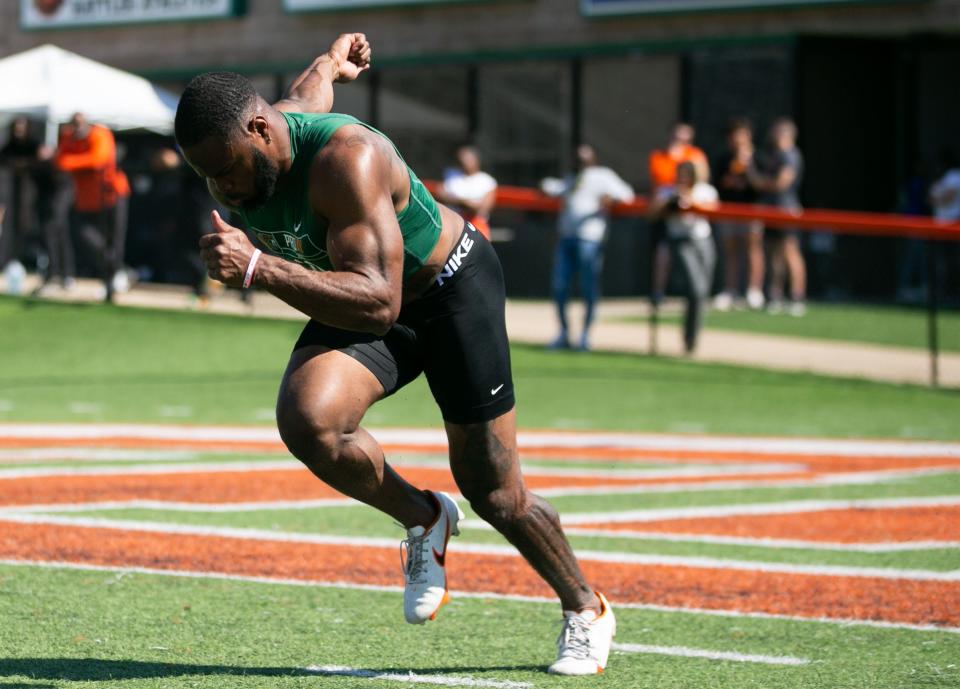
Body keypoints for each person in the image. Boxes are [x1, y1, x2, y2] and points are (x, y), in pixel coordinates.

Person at [174, 33, 614, 676]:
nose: (223, 187)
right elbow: (306, 92)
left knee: (495, 491)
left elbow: (380, 303)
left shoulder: (347, 159)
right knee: (309, 421)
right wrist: (332, 63)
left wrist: (259, 267)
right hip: (362, 293)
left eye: (229, 168)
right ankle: (424, 517)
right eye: (207, 175)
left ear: (260, 129)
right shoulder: (265, 135)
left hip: (445, 292)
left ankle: (586, 609)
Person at [541, 144, 634, 351]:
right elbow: (555, 190)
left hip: (589, 239)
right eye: (578, 158)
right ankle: (564, 333)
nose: (580, 161)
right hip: (566, 239)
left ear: (593, 159)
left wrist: (611, 198)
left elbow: (627, 194)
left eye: (584, 158)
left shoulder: (602, 175)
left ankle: (584, 336)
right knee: (560, 287)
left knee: (588, 287)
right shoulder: (571, 178)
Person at [648, 161, 718, 354]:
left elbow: (713, 209)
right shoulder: (667, 190)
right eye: (681, 174)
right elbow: (652, 213)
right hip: (681, 241)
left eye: (688, 174)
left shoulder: (705, 190)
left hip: (703, 241)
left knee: (702, 292)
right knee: (696, 289)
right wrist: (670, 202)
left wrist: (691, 201)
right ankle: (690, 339)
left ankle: (693, 337)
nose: (684, 178)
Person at [56, 112, 123, 302]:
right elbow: (61, 161)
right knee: (88, 238)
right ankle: (114, 270)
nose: (77, 128)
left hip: (111, 194)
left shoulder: (100, 134)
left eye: (80, 123)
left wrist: (73, 161)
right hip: (86, 199)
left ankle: (112, 283)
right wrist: (76, 162)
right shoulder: (69, 137)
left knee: (114, 239)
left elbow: (98, 159)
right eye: (73, 123)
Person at [648, 123, 709, 309]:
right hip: (672, 223)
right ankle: (659, 294)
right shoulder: (659, 157)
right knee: (663, 256)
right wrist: (672, 198)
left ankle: (700, 302)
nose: (680, 141)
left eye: (685, 138)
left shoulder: (696, 156)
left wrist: (687, 196)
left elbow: (703, 183)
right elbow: (658, 189)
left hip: (696, 231)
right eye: (677, 137)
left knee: (700, 281)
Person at [749, 118, 806, 316]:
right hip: (771, 210)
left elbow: (781, 183)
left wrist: (762, 181)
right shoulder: (774, 155)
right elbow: (760, 182)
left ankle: (797, 296)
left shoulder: (791, 155)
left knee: (790, 252)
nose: (773, 137)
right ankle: (775, 295)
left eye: (777, 133)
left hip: (786, 209)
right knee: (773, 254)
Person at [712, 118, 765, 311]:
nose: (737, 139)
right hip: (729, 210)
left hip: (751, 210)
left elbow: (762, 185)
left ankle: (754, 291)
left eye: (740, 134)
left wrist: (748, 165)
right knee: (731, 251)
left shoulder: (758, 157)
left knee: (753, 249)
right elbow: (718, 184)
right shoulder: (724, 159)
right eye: (734, 135)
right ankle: (730, 290)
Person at [0, 117, 41, 294]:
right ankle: (9, 262)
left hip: (29, 197)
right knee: (9, 229)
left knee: (26, 227)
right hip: (10, 197)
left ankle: (25, 261)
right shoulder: (8, 149)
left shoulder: (33, 147)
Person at [433, 144, 497, 239]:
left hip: (476, 227)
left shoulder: (487, 181)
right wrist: (466, 203)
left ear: (476, 160)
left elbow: (483, 208)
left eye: (468, 159)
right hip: (452, 225)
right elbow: (439, 195)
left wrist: (456, 201)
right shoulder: (450, 175)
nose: (464, 162)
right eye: (461, 158)